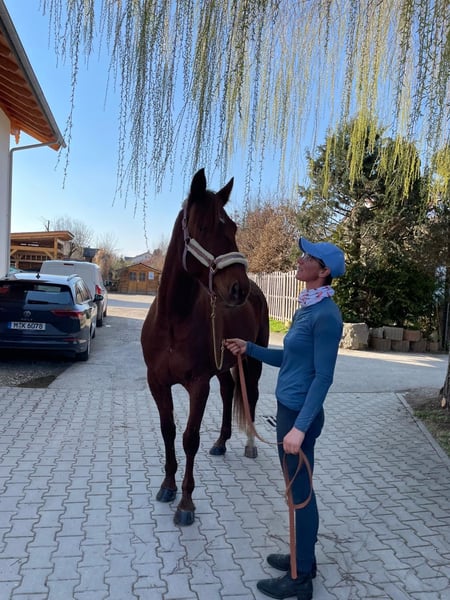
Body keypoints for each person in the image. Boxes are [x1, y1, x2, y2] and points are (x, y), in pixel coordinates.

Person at [224, 237, 345, 600]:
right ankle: (303, 558)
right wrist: (250, 348)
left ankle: (300, 577)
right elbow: (290, 359)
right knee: (297, 491)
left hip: (299, 418)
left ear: (323, 271)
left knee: (301, 494)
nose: (299, 259)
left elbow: (323, 377)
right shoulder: (307, 308)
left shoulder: (326, 316)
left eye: (308, 257)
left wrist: (299, 428)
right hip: (289, 410)